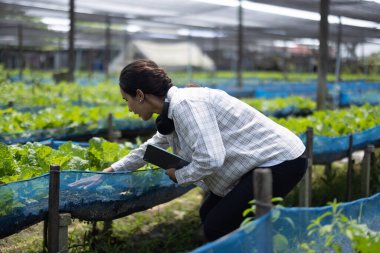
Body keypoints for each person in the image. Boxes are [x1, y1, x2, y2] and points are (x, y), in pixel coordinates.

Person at [73, 59, 307, 241]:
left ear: (140, 95)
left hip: (280, 161)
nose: (129, 109)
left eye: (127, 100)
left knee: (218, 225)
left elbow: (212, 159)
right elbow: (149, 148)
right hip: (261, 163)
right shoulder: (171, 111)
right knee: (208, 213)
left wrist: (180, 175)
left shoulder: (186, 105)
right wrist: (110, 170)